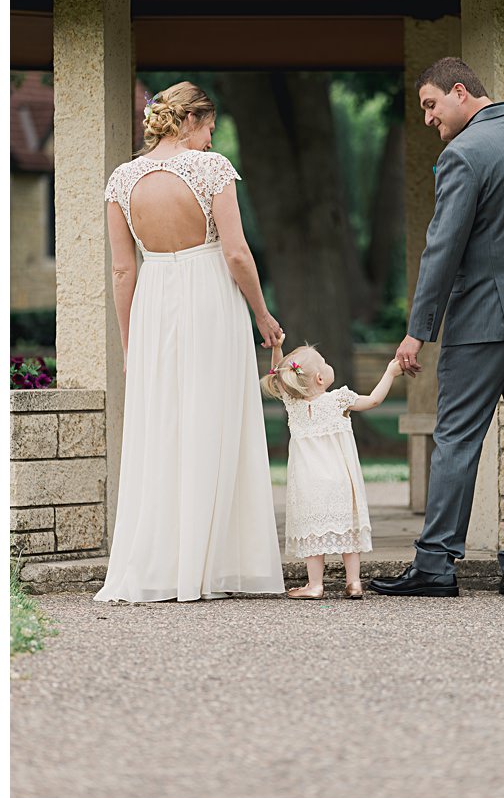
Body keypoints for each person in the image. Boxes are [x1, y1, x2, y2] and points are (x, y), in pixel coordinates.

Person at [371, 57, 504, 599]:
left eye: (430, 104)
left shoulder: (464, 154)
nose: (427, 118)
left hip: (486, 318)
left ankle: (436, 565)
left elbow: (441, 251)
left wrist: (417, 330)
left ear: (460, 92)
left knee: (458, 436)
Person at [96, 82, 286, 603]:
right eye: (209, 129)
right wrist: (263, 316)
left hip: (154, 304)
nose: (210, 140)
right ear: (190, 121)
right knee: (215, 418)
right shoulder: (212, 170)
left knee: (162, 428)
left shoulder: (121, 180)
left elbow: (120, 269)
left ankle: (161, 563)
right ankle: (220, 563)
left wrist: (130, 344)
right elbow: (237, 253)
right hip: (208, 301)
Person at [263, 340, 401, 600]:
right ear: (319, 378)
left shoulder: (293, 406)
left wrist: (276, 349)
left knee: (314, 533)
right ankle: (354, 583)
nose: (328, 365)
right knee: (347, 529)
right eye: (324, 363)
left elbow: (279, 377)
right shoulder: (339, 400)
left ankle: (315, 585)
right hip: (340, 479)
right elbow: (372, 401)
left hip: (308, 483)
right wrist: (390, 372)